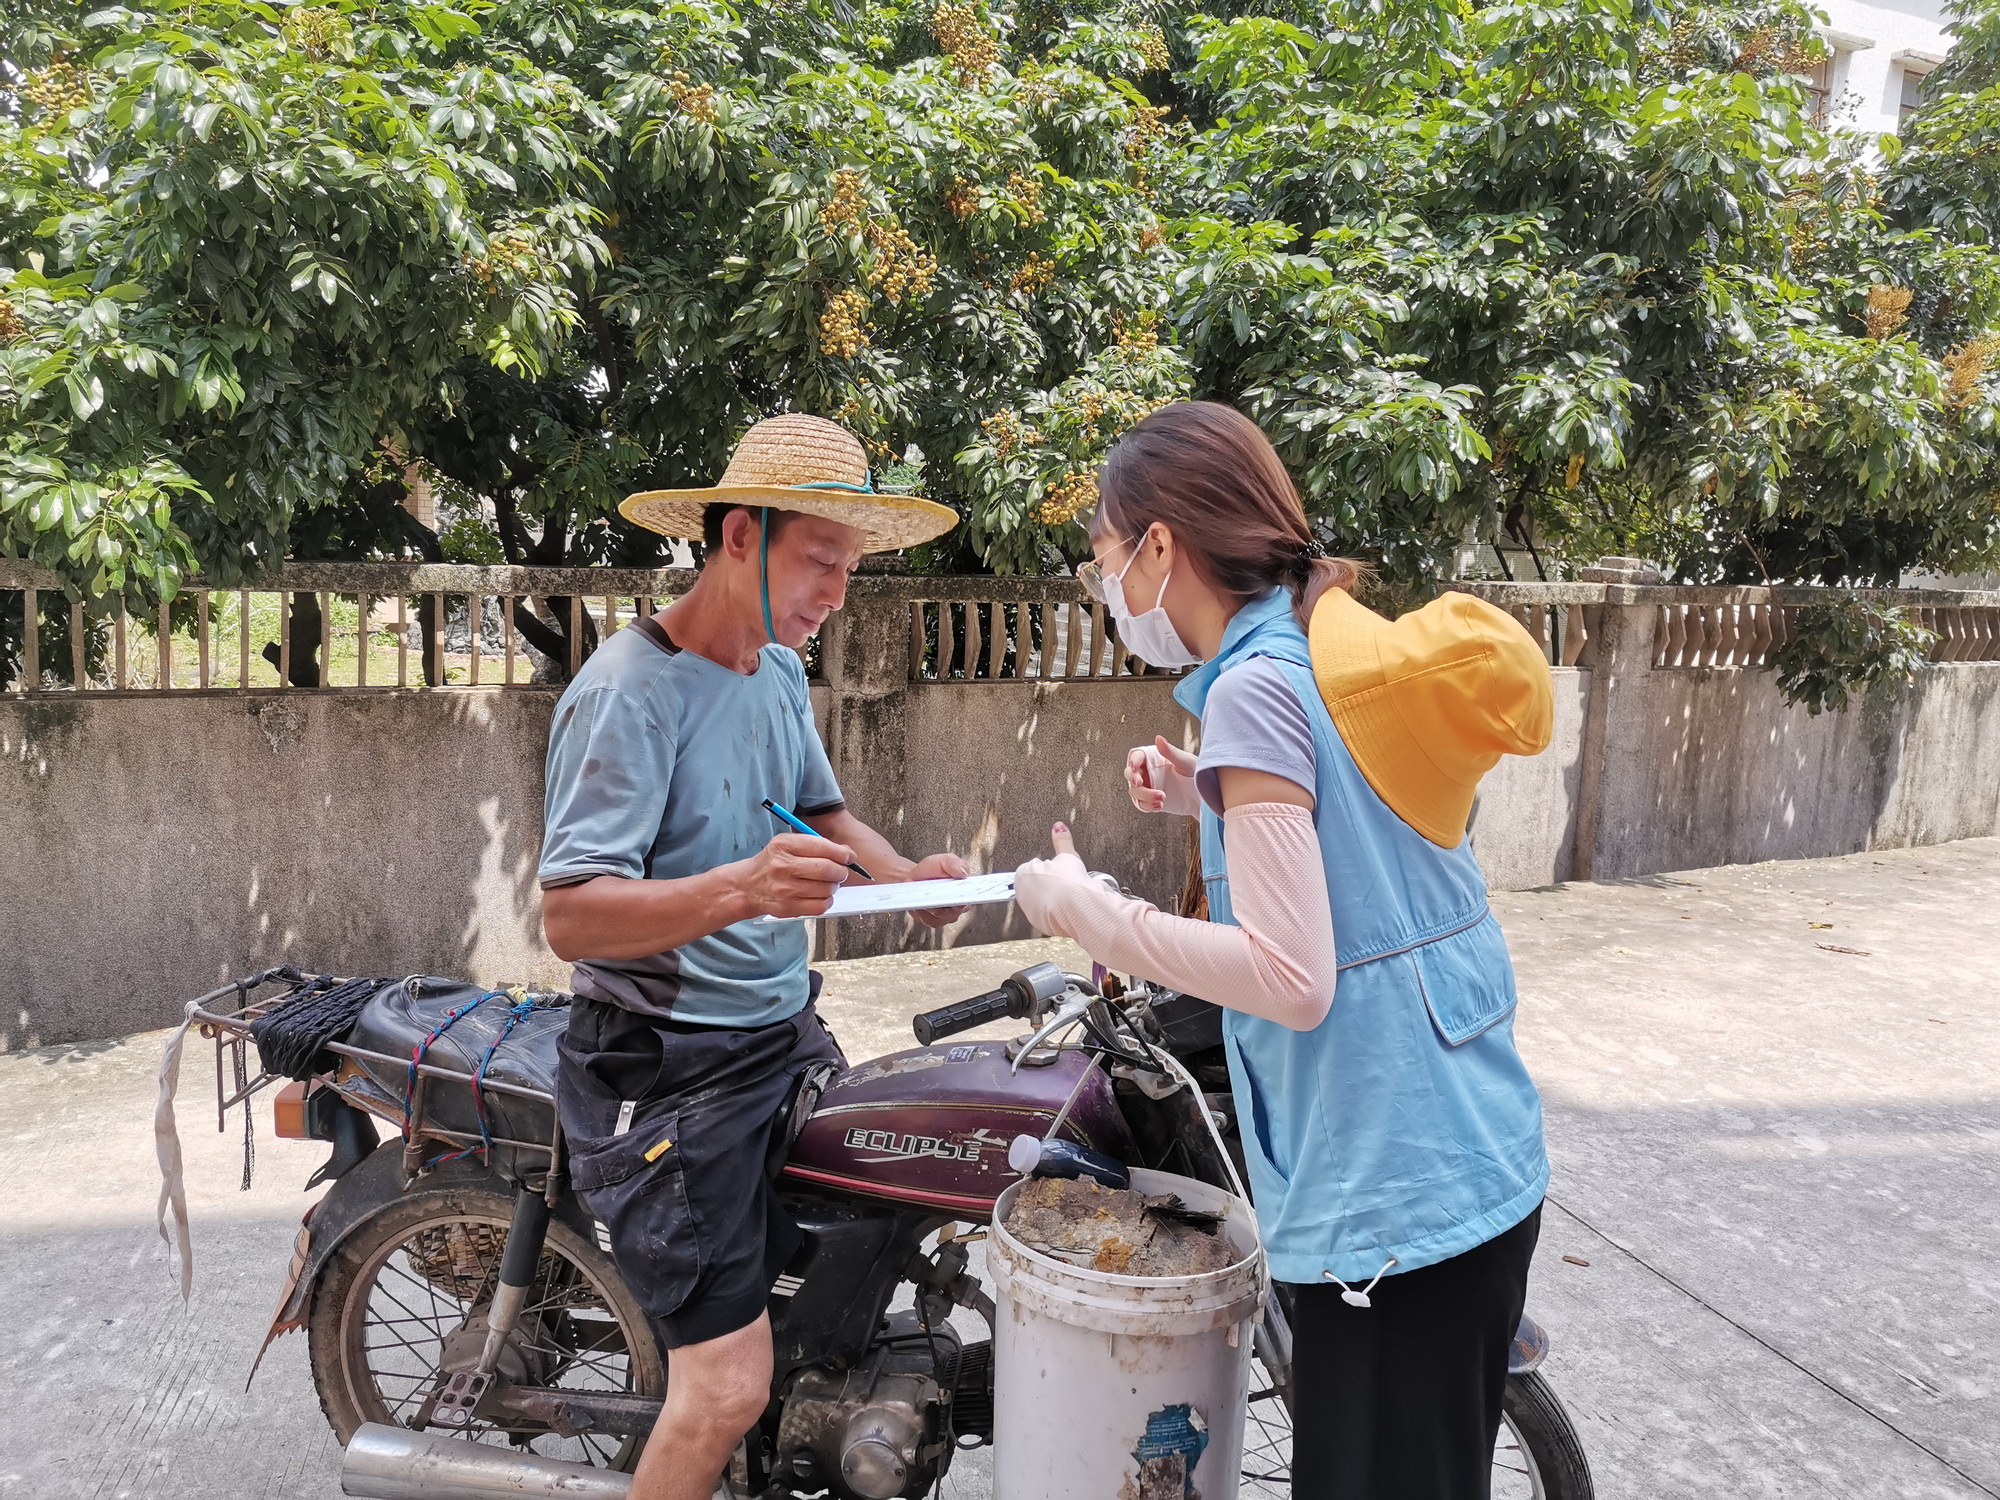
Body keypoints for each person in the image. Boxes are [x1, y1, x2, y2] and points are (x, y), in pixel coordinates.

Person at [1012, 401, 1553, 1500]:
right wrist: (1198, 799)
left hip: (1390, 1202)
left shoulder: (1255, 689)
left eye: (1104, 559)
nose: (1105, 586)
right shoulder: (1311, 649)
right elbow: (1356, 849)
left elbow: (1289, 978)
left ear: (1160, 546)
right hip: (1463, 1160)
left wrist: (1087, 911)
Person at [537, 414, 970, 1500]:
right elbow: (572, 916)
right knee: (726, 1389)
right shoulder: (627, 693)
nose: (835, 593)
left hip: (778, 1032)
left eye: (849, 569)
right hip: (664, 1068)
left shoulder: (773, 668)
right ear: (740, 535)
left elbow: (817, 803)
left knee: (865, 1241)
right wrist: (737, 889)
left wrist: (900, 878)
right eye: (820, 562)